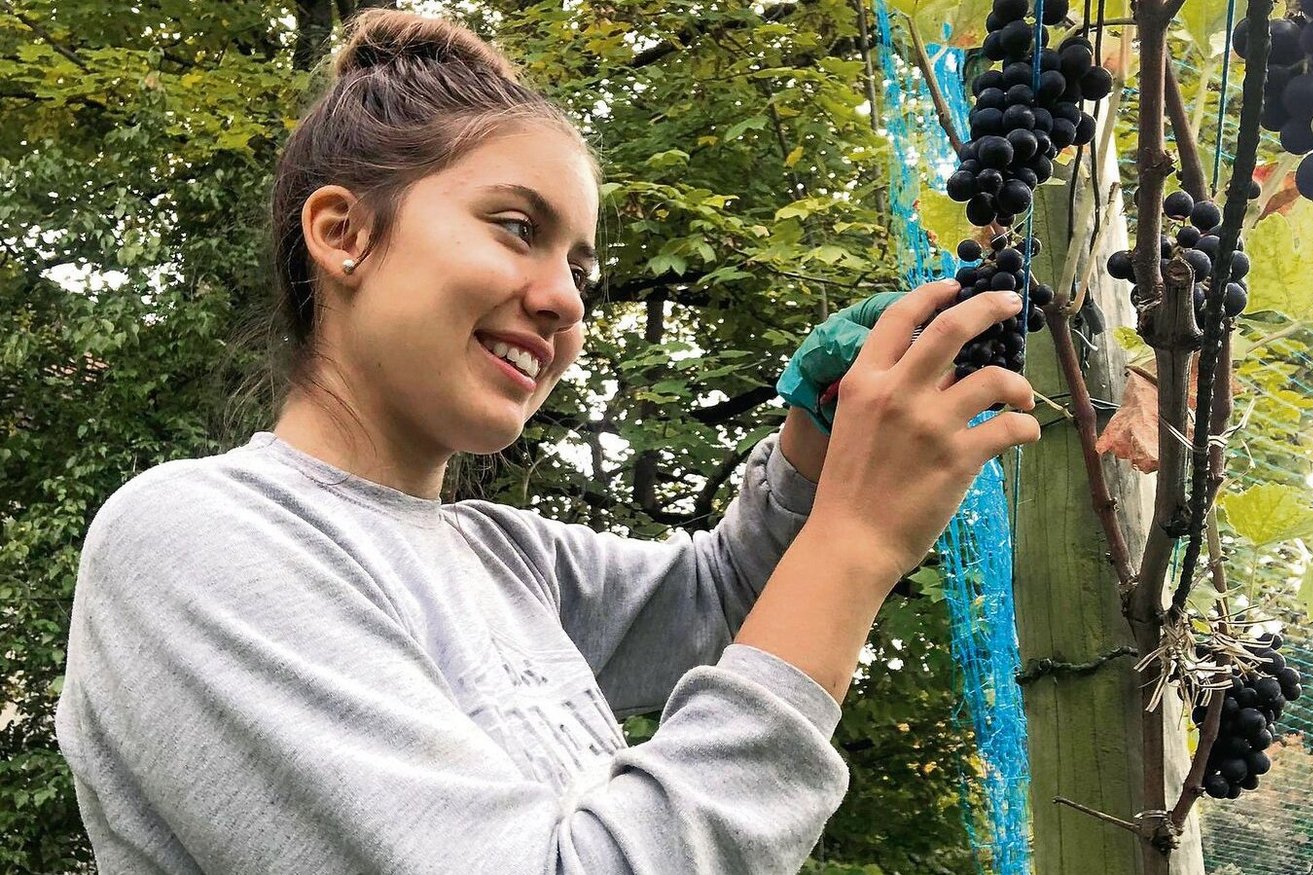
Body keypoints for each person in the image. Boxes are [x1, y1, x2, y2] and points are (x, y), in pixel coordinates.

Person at [54, 9, 1040, 874]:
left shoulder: (501, 555)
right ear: (343, 233)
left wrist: (813, 434)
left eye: (577, 262)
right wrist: (852, 543)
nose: (566, 298)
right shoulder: (194, 541)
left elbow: (720, 599)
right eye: (516, 227)